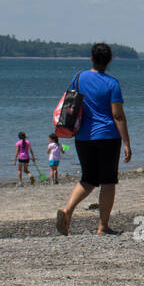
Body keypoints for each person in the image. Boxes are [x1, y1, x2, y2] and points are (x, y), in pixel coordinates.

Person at [55, 43, 131, 236]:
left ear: (91, 58)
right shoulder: (112, 83)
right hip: (107, 136)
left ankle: (68, 210)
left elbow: (71, 102)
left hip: (83, 136)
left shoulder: (79, 78)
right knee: (107, 182)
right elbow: (118, 116)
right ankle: (103, 227)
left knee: (88, 178)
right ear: (110, 60)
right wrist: (127, 143)